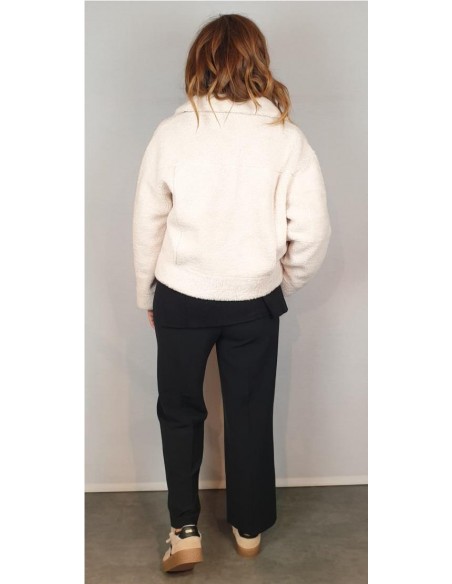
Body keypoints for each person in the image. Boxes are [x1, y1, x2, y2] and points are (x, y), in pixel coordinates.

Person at [132, 13, 332, 573]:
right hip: (254, 301)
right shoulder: (287, 138)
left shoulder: (172, 134)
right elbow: (313, 231)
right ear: (258, 60)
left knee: (179, 412)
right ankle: (248, 528)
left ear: (199, 62)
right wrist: (280, 281)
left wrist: (147, 294)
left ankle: (184, 530)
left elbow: (148, 222)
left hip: (181, 296)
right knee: (249, 410)